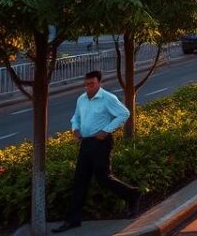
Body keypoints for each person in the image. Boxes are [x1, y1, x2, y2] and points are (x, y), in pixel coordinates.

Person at [53, 71, 141, 232]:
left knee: (103, 178)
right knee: (79, 181)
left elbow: (124, 113)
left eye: (91, 84)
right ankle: (73, 220)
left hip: (101, 143)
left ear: (99, 83)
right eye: (86, 84)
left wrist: (107, 130)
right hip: (85, 143)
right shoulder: (81, 99)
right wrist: (75, 128)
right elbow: (76, 117)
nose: (88, 87)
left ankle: (132, 195)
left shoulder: (108, 98)